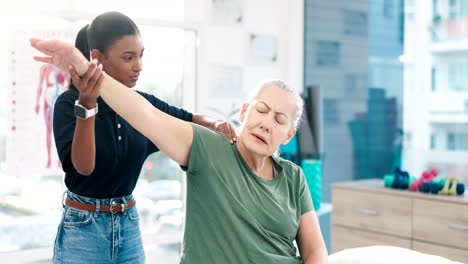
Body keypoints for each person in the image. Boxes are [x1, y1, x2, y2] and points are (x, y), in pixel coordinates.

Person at [30, 37, 328, 264]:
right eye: (261, 111)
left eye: (279, 120)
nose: (266, 124)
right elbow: (146, 114)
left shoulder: (292, 177)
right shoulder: (209, 149)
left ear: (288, 135)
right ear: (245, 111)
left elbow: (314, 249)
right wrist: (83, 68)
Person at [46, 12, 237, 264]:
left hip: (129, 226)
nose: (139, 66)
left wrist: (218, 123)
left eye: (140, 55)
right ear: (97, 57)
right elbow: (84, 167)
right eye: (128, 57)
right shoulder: (68, 104)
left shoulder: (143, 104)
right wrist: (88, 105)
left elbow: (188, 118)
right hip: (83, 227)